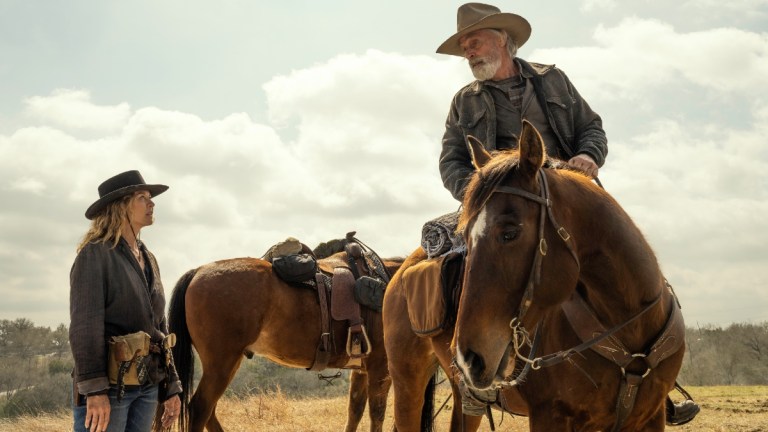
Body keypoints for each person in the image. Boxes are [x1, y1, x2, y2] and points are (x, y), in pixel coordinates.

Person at [435, 2, 699, 426]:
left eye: (474, 41)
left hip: (566, 199)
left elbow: (592, 128)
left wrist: (588, 156)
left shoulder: (553, 81)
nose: (467, 51)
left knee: (631, 271)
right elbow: (451, 162)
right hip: (500, 207)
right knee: (461, 269)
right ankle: (472, 378)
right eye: (463, 45)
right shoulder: (463, 102)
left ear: (503, 39)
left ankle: (656, 383)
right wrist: (480, 193)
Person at [69, 170, 182, 432]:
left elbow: (160, 328)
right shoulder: (94, 255)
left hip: (147, 384)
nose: (151, 203)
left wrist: (171, 386)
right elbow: (85, 327)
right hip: (109, 388)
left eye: (150, 197)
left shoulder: (149, 257)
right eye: (142, 197)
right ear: (120, 207)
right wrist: (94, 391)